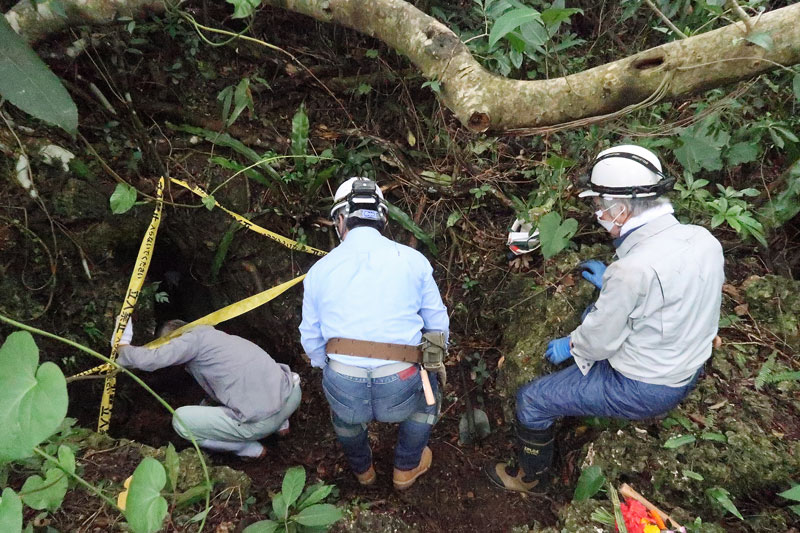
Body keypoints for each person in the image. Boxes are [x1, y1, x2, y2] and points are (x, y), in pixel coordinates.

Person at [486, 144, 725, 494]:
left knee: (532, 400)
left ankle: (531, 477)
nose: (597, 213)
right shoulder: (704, 240)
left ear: (622, 209)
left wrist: (570, 344)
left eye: (599, 206)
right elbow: (672, 286)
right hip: (688, 366)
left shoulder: (630, 271)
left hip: (645, 387)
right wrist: (613, 283)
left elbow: (597, 343)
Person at [299, 177, 449, 490]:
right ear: (382, 217)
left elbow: (311, 340)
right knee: (427, 402)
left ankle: (363, 472)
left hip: (344, 380)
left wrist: (329, 367)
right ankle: (405, 469)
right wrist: (432, 363)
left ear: (340, 219)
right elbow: (437, 324)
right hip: (402, 377)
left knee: (343, 416)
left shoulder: (319, 272)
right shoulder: (413, 260)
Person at [114, 319, 301, 458]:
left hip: (262, 422)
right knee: (246, 377)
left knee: (181, 421)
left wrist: (122, 346)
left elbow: (149, 360)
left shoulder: (188, 343)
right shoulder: (214, 337)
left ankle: (248, 449)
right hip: (291, 394)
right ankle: (283, 426)